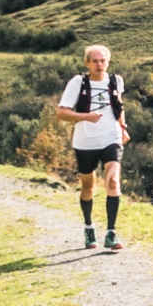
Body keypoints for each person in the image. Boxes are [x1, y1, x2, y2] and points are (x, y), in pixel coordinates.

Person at [57, 44, 129, 251]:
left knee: (113, 181)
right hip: (85, 140)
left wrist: (123, 127)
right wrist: (85, 116)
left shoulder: (116, 81)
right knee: (88, 187)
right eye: (95, 61)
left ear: (108, 62)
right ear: (87, 63)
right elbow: (61, 112)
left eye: (103, 60)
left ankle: (111, 234)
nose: (99, 65)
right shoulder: (78, 82)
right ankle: (89, 227)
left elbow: (119, 105)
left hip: (111, 137)